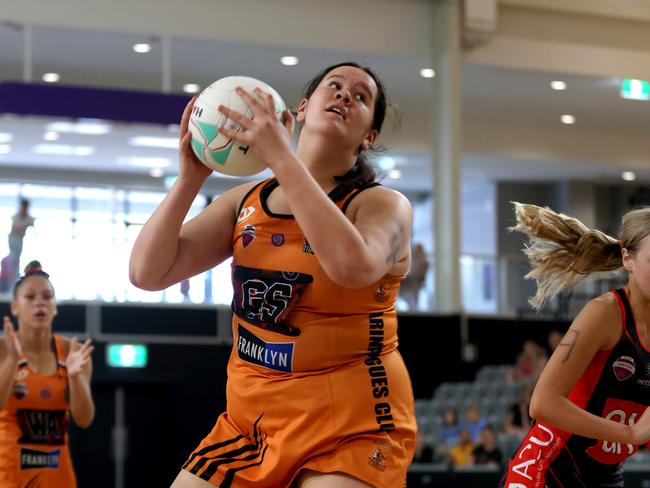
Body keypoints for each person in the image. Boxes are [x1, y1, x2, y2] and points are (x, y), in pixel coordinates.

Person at [130, 62, 417, 488]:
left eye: (360, 97)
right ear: (301, 109)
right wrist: (190, 179)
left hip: (352, 425)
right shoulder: (243, 201)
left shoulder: (383, 205)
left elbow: (352, 267)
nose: (343, 96)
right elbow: (146, 273)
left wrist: (282, 158)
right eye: (333, 86)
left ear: (369, 137)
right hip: (251, 424)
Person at [500, 203, 650, 487]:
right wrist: (629, 434)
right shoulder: (604, 312)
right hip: (546, 466)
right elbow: (542, 403)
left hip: (603, 475)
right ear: (627, 259)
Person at [0, 260, 94, 487]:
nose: (39, 303)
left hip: (57, 476)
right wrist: (12, 362)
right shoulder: (4, 350)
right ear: (14, 306)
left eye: (47, 296)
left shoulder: (72, 352)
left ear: (55, 306)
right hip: (10, 476)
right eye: (30, 297)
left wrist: (74, 377)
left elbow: (84, 419)